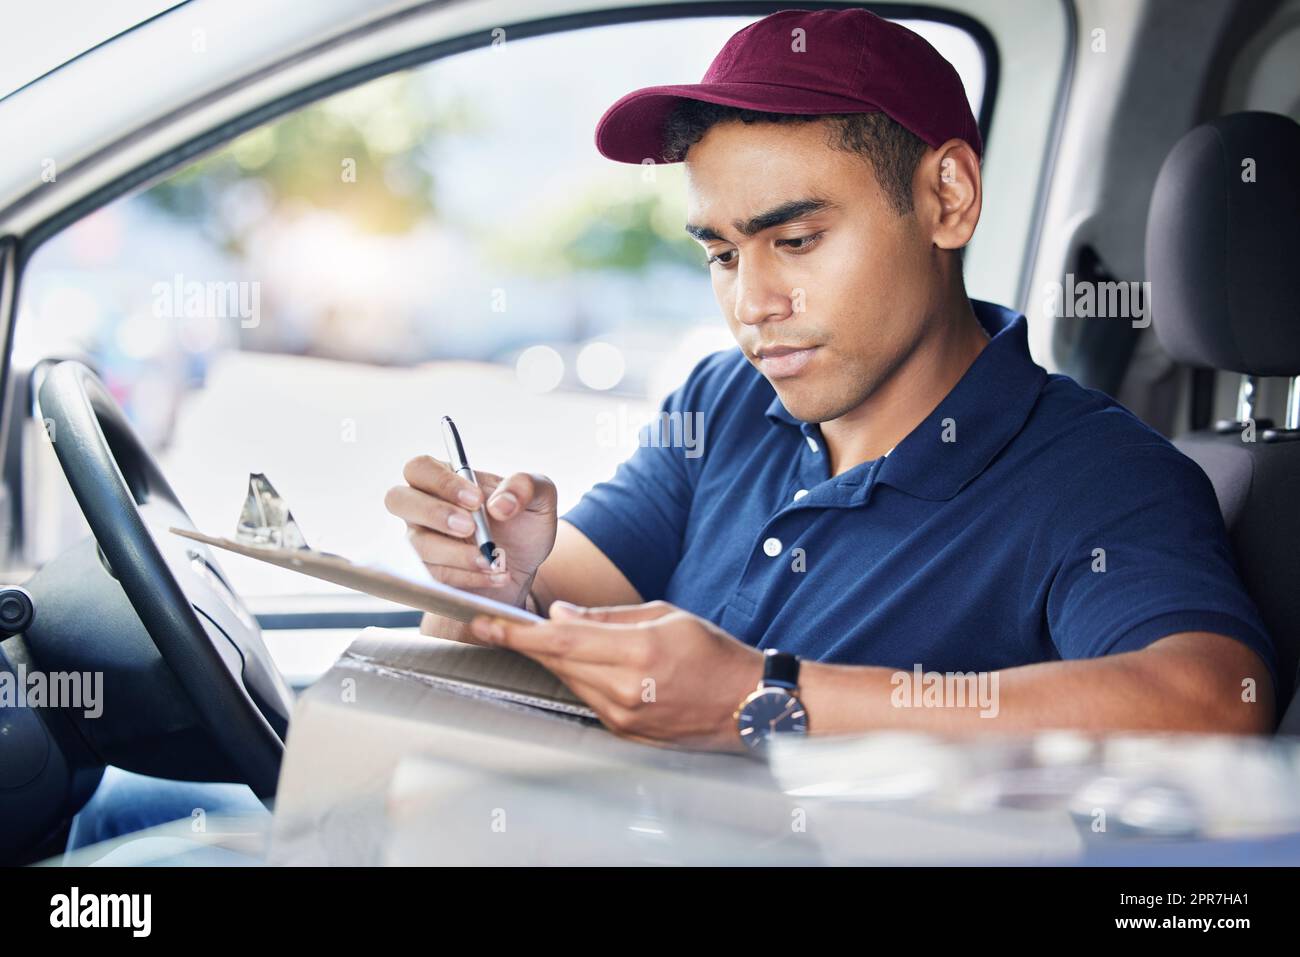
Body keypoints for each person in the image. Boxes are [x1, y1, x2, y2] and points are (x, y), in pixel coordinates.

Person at [385, 8, 1278, 752]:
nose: (753, 304)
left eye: (797, 241)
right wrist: (491, 585)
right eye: (724, 254)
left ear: (948, 198)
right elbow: (548, 610)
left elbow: (1216, 702)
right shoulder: (724, 402)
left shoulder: (1093, 474)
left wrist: (767, 697)